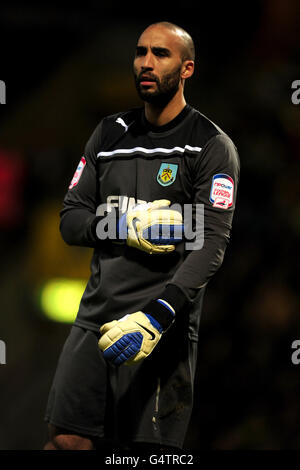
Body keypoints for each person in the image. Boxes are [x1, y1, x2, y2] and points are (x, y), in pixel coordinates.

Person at [44, 21, 240, 452]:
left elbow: (211, 242)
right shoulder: (108, 133)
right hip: (93, 322)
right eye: (140, 52)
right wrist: (122, 224)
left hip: (159, 331)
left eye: (160, 54)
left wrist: (158, 315)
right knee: (65, 441)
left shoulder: (210, 145)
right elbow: (70, 221)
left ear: (187, 69)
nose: (145, 63)